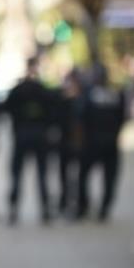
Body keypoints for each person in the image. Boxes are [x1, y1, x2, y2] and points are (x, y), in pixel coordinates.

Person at [3, 57, 55, 224]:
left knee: (18, 174)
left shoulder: (18, 89)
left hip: (22, 135)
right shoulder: (43, 90)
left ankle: (13, 209)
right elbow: (53, 112)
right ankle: (45, 210)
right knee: (41, 174)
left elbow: (5, 109)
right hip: (39, 135)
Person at [76, 63, 126, 221]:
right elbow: (122, 117)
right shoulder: (116, 94)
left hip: (92, 142)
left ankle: (84, 206)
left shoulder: (89, 95)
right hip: (110, 142)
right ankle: (103, 209)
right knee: (109, 178)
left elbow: (80, 116)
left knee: (84, 175)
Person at [54, 68, 85, 215]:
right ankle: (64, 200)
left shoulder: (83, 100)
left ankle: (79, 203)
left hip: (79, 143)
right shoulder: (62, 100)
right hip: (65, 143)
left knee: (79, 175)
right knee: (64, 173)